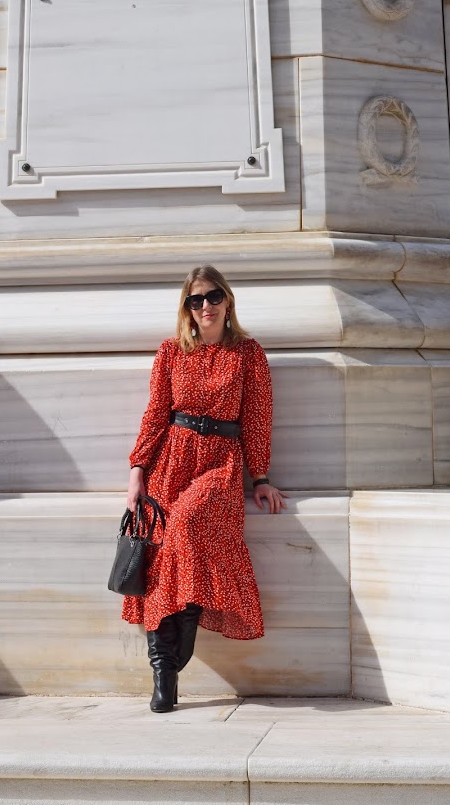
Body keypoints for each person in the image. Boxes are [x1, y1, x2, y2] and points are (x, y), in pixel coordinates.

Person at [122, 264, 288, 712]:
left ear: (228, 300)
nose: (206, 307)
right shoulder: (171, 352)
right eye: (195, 300)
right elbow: (156, 413)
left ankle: (175, 653)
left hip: (220, 462)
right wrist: (138, 468)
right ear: (186, 308)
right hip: (171, 460)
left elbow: (256, 419)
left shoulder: (248, 354)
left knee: (187, 525)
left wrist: (262, 476)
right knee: (162, 545)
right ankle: (165, 668)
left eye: (213, 297)